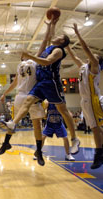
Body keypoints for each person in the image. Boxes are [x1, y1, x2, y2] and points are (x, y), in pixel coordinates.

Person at [2, 16, 80, 155]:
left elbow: (46, 62)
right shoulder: (50, 47)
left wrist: (30, 56)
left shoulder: (58, 51)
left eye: (59, 36)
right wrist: (50, 25)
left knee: (63, 111)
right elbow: (48, 38)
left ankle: (74, 139)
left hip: (52, 83)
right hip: (41, 84)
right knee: (28, 101)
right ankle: (13, 124)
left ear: (62, 41)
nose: (55, 36)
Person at [0, 19, 56, 166]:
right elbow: (15, 82)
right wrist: (5, 93)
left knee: (21, 124)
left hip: (25, 96)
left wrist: (49, 27)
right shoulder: (27, 64)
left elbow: (44, 42)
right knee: (25, 124)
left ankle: (14, 145)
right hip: (26, 96)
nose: (29, 53)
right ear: (23, 57)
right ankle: (31, 150)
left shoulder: (27, 63)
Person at [66, 23, 103, 169]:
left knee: (95, 128)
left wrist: (78, 34)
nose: (91, 56)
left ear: (98, 61)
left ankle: (98, 155)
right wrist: (66, 45)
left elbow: (86, 49)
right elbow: (74, 56)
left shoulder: (95, 66)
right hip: (85, 101)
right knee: (96, 127)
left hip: (92, 100)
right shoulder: (83, 67)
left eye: (95, 56)